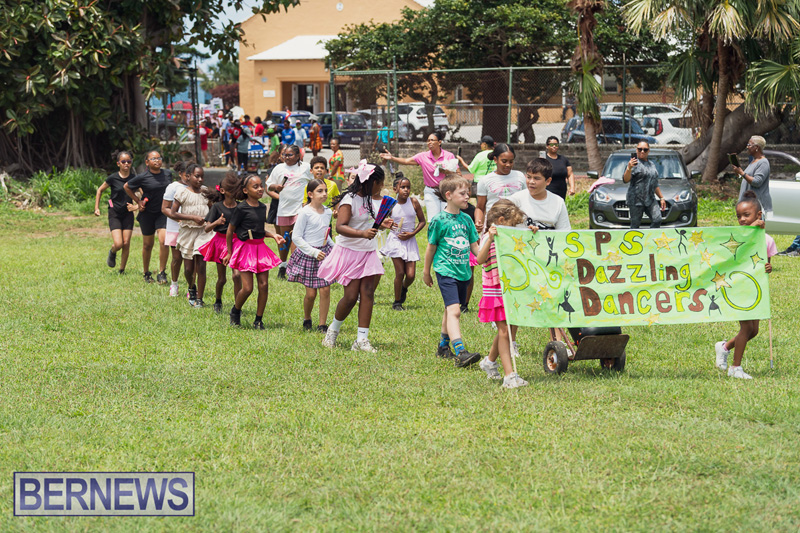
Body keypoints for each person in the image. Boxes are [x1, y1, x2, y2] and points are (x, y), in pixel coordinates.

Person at [318, 162, 394, 352]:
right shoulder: (349, 200)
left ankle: (361, 340)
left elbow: (368, 222)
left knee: (368, 293)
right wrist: (362, 234)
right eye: (380, 183)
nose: (381, 187)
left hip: (367, 251)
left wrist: (383, 224)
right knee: (351, 297)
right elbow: (340, 227)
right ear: (371, 182)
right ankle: (332, 331)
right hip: (350, 252)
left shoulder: (370, 200)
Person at [714, 191, 776, 379]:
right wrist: (750, 233)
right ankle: (735, 367)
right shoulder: (737, 238)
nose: (741, 219)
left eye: (746, 215)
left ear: (759, 215)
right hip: (740, 288)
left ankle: (724, 347)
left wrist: (768, 267)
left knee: (754, 331)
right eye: (739, 216)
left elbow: (766, 264)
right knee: (746, 328)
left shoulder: (767, 240)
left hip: (756, 290)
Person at [423, 174, 481, 368]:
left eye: (468, 193)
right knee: (455, 310)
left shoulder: (467, 220)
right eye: (463, 193)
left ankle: (443, 346)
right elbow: (431, 247)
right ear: (448, 195)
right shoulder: (439, 220)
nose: (467, 197)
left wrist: (490, 253)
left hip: (464, 271)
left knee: (450, 310)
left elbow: (475, 249)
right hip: (445, 270)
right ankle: (461, 352)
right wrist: (426, 271)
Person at [476, 199, 530, 389]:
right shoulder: (487, 238)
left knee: (508, 329)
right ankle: (509, 376)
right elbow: (480, 260)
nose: (514, 228)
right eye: (512, 224)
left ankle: (489, 362)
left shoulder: (509, 237)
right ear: (500, 220)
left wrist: (532, 234)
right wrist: (490, 238)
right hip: (494, 291)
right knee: (504, 331)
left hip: (510, 289)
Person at [223, 174, 285, 329]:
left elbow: (259, 230)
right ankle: (235, 310)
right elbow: (230, 231)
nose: (260, 189)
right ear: (245, 190)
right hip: (246, 249)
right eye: (255, 186)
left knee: (264, 285)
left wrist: (273, 235)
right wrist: (230, 252)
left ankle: (258, 320)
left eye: (261, 186)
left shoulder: (263, 207)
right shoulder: (241, 208)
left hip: (260, 247)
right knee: (248, 288)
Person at [286, 179, 336, 332]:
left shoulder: (327, 212)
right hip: (309, 254)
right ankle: (307, 317)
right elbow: (297, 237)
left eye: (325, 191)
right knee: (311, 293)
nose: (324, 194)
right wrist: (313, 252)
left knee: (325, 290)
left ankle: (322, 324)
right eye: (319, 191)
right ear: (310, 194)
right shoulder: (304, 212)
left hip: (324, 253)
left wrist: (334, 248)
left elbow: (325, 235)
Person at [380, 131, 457, 219]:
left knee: (447, 218)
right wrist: (392, 158)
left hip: (446, 191)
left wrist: (447, 171)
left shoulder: (449, 156)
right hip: (431, 191)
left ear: (439, 142)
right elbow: (406, 161)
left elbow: (456, 173)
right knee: (434, 219)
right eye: (428, 141)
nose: (429, 143)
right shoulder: (423, 156)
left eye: (432, 140)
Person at [168, 164, 214, 308]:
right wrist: (192, 217)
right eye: (197, 176)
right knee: (188, 269)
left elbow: (213, 209)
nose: (200, 179)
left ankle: (199, 298)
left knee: (201, 266)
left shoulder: (206, 192)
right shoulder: (182, 193)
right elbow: (173, 212)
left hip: (203, 233)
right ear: (188, 177)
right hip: (187, 231)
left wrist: (210, 222)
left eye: (202, 176)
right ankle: (191, 287)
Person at [266, 145, 314, 279]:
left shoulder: (305, 167)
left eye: (290, 155)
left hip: (301, 209)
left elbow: (314, 182)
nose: (286, 157)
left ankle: (296, 267)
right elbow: (268, 185)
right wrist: (275, 187)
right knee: (284, 239)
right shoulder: (279, 168)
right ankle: (283, 265)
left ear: (298, 156)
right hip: (284, 209)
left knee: (297, 237)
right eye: (285, 155)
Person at [124, 150, 172, 284]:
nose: (157, 160)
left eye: (159, 158)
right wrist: (137, 202)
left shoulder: (168, 174)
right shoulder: (142, 177)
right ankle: (146, 273)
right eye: (153, 159)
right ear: (147, 162)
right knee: (147, 245)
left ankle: (162, 273)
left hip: (163, 212)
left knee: (164, 241)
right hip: (147, 214)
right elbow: (127, 186)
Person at [380, 174, 426, 311]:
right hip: (396, 240)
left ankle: (403, 288)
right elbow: (380, 221)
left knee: (411, 275)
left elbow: (422, 221)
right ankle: (397, 302)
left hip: (409, 240)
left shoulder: (414, 202)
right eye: (402, 187)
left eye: (408, 187)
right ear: (395, 189)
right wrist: (387, 224)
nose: (406, 190)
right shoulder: (390, 204)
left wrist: (412, 233)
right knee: (400, 273)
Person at [199, 172, 242, 314]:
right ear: (222, 191)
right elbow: (206, 228)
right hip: (220, 242)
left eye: (236, 189)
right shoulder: (217, 207)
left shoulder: (240, 207)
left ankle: (237, 306)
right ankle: (218, 300)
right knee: (222, 279)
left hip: (236, 242)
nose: (234, 193)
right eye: (231, 190)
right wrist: (217, 222)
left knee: (237, 276)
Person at [94, 151, 138, 274]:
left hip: (128, 213)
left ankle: (122, 270)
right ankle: (112, 252)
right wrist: (96, 208)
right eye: (123, 162)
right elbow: (100, 190)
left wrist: (136, 206)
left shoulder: (134, 178)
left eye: (129, 161)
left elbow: (144, 194)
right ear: (118, 163)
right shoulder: (113, 177)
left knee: (126, 243)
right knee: (118, 244)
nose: (126, 164)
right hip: (114, 212)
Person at [475, 143, 526, 233]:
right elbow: (480, 207)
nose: (508, 165)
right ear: (495, 159)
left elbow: (526, 200)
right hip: (494, 227)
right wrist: (478, 222)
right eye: (504, 161)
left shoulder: (520, 176)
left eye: (511, 161)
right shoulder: (485, 180)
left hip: (517, 226)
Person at [509, 158, 571, 231]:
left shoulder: (558, 202)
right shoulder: (515, 200)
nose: (531, 182)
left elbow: (564, 232)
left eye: (536, 178)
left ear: (548, 181)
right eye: (529, 177)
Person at [623, 141, 667, 229]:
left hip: (650, 199)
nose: (642, 151)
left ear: (648, 151)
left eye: (645, 150)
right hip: (636, 200)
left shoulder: (652, 165)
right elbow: (626, 180)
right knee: (635, 225)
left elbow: (654, 183)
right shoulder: (633, 164)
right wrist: (629, 168)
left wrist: (661, 197)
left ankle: (651, 239)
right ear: (636, 150)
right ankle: (635, 242)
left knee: (657, 219)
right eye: (640, 149)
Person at [162, 161, 190, 297]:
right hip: (175, 228)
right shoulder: (173, 187)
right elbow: (165, 208)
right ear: (180, 174)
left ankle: (192, 287)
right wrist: (178, 219)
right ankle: (174, 284)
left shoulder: (198, 187)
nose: (190, 178)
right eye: (187, 174)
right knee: (177, 258)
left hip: (192, 229)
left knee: (192, 259)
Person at [732, 135, 772, 215]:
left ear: (756, 147)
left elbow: (757, 182)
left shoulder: (763, 162)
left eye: (749, 145)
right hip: (749, 205)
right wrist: (738, 173)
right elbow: (747, 178)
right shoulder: (754, 161)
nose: (747, 147)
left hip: (757, 207)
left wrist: (742, 173)